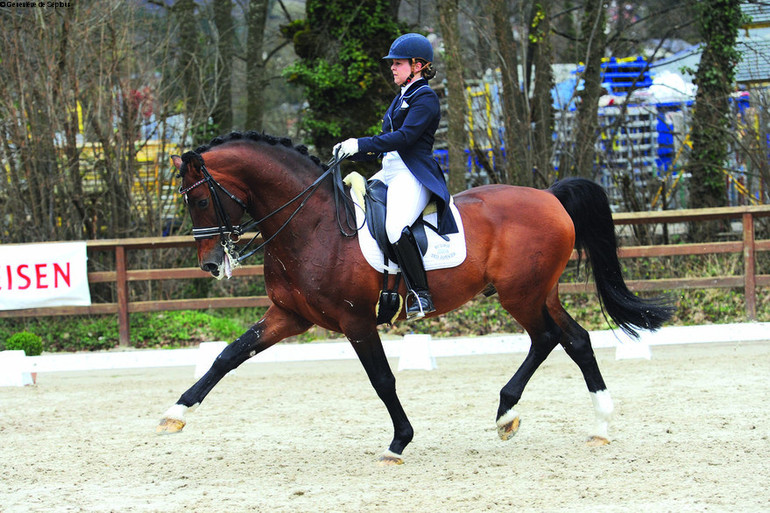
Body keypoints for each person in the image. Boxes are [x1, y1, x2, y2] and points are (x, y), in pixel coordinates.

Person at [334, 33, 458, 320]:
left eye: (398, 63)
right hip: (390, 170)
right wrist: (351, 151)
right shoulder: (402, 96)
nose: (392, 67)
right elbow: (385, 140)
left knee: (395, 227)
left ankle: (421, 294)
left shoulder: (424, 97)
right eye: (393, 63)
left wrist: (361, 143)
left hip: (412, 173)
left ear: (417, 65)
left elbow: (405, 137)